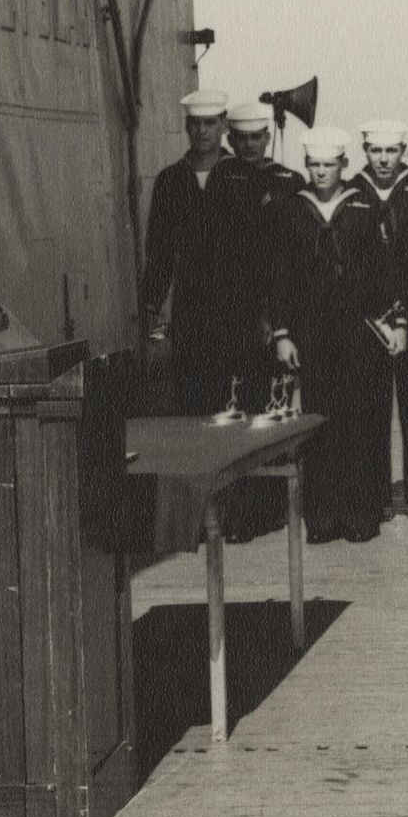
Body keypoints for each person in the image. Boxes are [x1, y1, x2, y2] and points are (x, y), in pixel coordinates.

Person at [268, 127, 405, 543]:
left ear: (343, 165)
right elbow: (280, 276)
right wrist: (283, 333)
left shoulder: (363, 209)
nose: (322, 172)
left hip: (357, 332)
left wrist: (397, 322)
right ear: (306, 166)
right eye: (314, 164)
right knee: (319, 421)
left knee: (358, 422)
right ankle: (323, 516)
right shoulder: (291, 211)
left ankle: (360, 514)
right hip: (311, 333)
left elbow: (385, 273)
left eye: (329, 164)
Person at [212, 99, 304, 538]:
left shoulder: (289, 181)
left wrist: (278, 315)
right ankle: (241, 512)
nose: (249, 145)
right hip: (233, 311)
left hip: (279, 307)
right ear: (231, 139)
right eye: (241, 138)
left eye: (256, 137)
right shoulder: (221, 179)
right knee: (239, 412)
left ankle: (273, 508)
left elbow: (295, 254)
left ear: (267, 137)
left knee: (277, 411)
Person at [347, 117, 408, 525]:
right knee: (369, 410)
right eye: (376, 151)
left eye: (391, 151)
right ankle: (373, 498)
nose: (383, 159)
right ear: (365, 152)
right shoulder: (351, 191)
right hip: (369, 316)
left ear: (403, 152)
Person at [139, 88, 238, 414]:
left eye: (210, 123)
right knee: (193, 399)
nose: (202, 131)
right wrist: (151, 303)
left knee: (238, 406)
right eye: (195, 123)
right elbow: (159, 251)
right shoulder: (170, 181)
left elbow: (258, 253)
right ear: (187, 126)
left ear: (224, 124)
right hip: (190, 311)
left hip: (236, 309)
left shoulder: (242, 178)